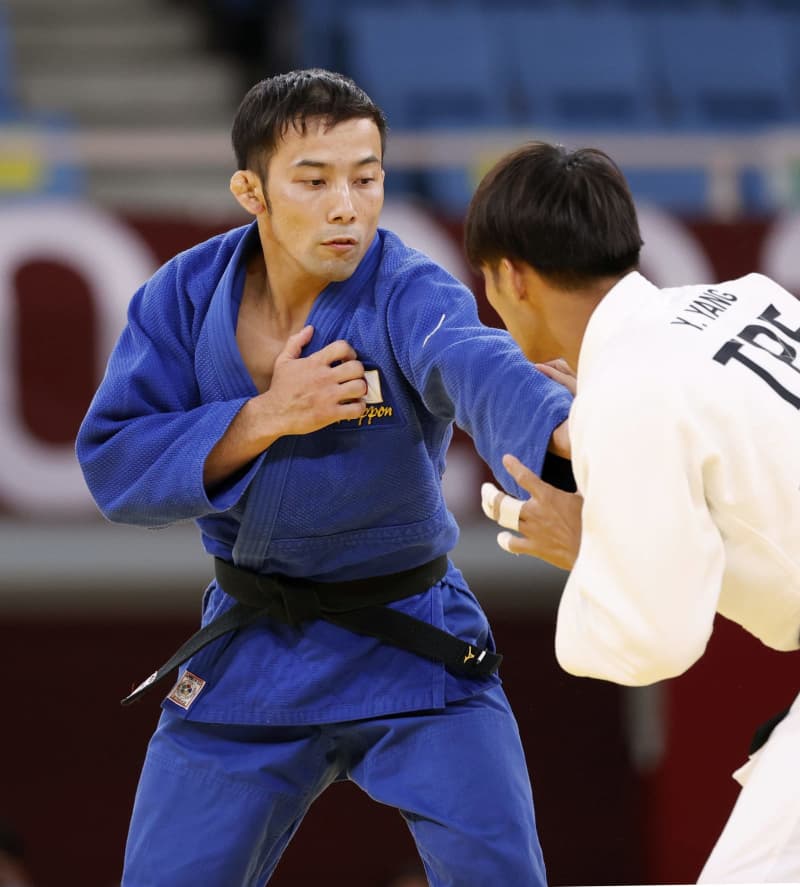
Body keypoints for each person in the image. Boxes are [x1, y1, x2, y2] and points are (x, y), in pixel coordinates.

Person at [75, 71, 572, 886]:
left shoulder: (408, 287)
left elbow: (474, 361)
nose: (347, 207)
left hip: (414, 642)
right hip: (252, 650)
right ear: (252, 192)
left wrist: (568, 431)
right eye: (314, 181)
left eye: (366, 179)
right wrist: (266, 415)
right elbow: (113, 463)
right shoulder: (182, 297)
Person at [465, 140, 800, 884]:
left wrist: (594, 549)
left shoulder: (629, 389)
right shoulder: (747, 297)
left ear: (511, 276)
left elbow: (656, 640)